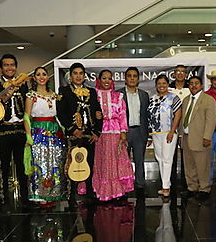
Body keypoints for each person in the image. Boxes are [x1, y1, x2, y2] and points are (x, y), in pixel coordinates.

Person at [0, 54, 29, 207]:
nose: (9, 68)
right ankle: (3, 199)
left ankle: (25, 199)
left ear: (16, 67)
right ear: (1, 68)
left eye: (12, 65)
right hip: (2, 130)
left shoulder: (23, 84)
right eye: (6, 65)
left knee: (22, 166)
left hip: (20, 130)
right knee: (2, 167)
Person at [57, 63, 103, 203]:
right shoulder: (64, 91)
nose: (78, 76)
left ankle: (89, 191)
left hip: (89, 135)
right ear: (70, 76)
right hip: (73, 134)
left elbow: (98, 113)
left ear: (84, 76)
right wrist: (72, 129)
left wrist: (96, 132)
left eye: (81, 73)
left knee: (89, 163)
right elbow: (61, 113)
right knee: (72, 163)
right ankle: (71, 194)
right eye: (75, 73)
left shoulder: (92, 91)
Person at [23, 66, 66, 207]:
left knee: (54, 162)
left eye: (44, 74)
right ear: (34, 78)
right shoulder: (31, 95)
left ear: (48, 77)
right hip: (39, 131)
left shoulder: (54, 95)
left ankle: (53, 194)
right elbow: (26, 117)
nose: (41, 77)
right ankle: (39, 194)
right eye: (38, 74)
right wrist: (29, 137)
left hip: (53, 132)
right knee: (40, 163)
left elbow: (58, 115)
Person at [91, 69, 134, 201]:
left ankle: (117, 190)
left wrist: (123, 133)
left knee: (115, 161)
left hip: (115, 133)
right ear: (99, 80)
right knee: (101, 161)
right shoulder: (93, 95)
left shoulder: (118, 96)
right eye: (104, 78)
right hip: (99, 133)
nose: (107, 81)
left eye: (109, 78)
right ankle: (100, 190)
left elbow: (122, 116)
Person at [180, 76, 216, 199]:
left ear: (201, 85)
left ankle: (204, 189)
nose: (193, 86)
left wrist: (207, 137)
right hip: (186, 137)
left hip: (201, 138)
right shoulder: (186, 100)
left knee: (202, 166)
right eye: (191, 83)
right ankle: (192, 187)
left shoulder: (208, 100)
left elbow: (211, 120)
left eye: (196, 83)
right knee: (189, 165)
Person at [147, 75, 183, 197]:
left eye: (164, 83)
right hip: (156, 133)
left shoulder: (174, 98)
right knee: (160, 158)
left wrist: (172, 131)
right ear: (156, 85)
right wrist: (149, 136)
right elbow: (149, 117)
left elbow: (178, 115)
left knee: (167, 159)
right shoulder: (152, 99)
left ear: (168, 84)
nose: (161, 85)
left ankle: (166, 187)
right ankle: (165, 183)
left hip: (169, 132)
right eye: (159, 83)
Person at [119, 67, 150, 195]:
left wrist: (148, 135)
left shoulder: (144, 95)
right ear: (125, 79)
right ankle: (122, 184)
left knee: (139, 160)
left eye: (134, 76)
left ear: (138, 79)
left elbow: (147, 116)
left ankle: (140, 185)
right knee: (122, 161)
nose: (132, 78)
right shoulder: (119, 94)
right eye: (129, 76)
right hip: (124, 133)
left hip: (140, 132)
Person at [169, 64, 190, 193]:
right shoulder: (169, 88)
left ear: (186, 75)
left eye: (183, 72)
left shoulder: (191, 88)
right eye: (178, 71)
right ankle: (170, 181)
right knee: (170, 155)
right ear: (174, 74)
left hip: (187, 127)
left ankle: (185, 182)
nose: (180, 74)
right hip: (171, 126)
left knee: (186, 156)